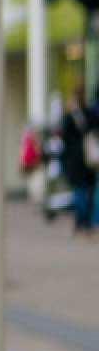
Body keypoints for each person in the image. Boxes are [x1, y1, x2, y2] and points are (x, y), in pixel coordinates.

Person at [60, 83, 97, 238]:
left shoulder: (70, 116)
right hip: (89, 159)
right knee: (88, 193)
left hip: (76, 160)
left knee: (79, 193)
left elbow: (65, 139)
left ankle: (81, 224)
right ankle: (86, 224)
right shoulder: (90, 114)